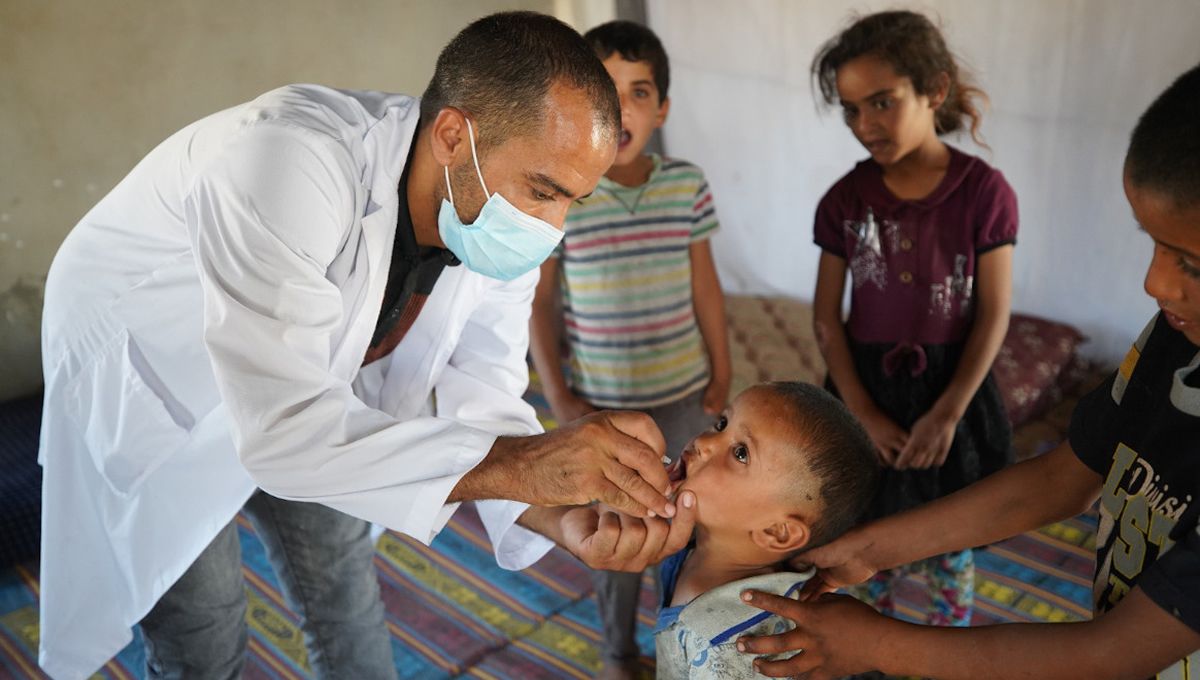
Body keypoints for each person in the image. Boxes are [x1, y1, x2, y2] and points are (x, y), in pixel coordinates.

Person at [37, 12, 699, 680]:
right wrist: (525, 467)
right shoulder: (286, 163)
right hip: (157, 358)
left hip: (311, 381)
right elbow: (283, 432)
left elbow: (485, 392)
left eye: (572, 202)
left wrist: (557, 514)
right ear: (451, 136)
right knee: (205, 624)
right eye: (544, 191)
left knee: (341, 580)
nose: (549, 227)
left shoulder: (495, 216)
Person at [737, 63, 1200, 680]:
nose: (1155, 282)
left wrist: (877, 645)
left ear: (933, 92)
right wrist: (870, 549)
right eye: (1153, 242)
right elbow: (1065, 478)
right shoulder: (1175, 340)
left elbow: (1111, 653)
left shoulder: (982, 193)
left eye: (1191, 263)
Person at [526, 19, 732, 679]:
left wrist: (722, 375)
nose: (621, 109)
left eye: (638, 92)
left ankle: (687, 646)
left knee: (691, 530)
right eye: (605, 92)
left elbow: (706, 288)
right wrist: (557, 393)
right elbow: (539, 301)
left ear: (661, 108)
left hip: (685, 398)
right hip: (604, 410)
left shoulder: (686, 185)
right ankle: (619, 652)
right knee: (616, 539)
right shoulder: (564, 195)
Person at [808, 10, 1017, 628]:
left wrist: (950, 410)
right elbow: (825, 319)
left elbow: (994, 312)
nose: (864, 125)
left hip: (951, 391)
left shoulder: (985, 193)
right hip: (861, 391)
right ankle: (870, 651)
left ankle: (946, 652)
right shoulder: (843, 201)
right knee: (864, 541)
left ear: (935, 90)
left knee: (947, 536)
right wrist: (862, 412)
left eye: (881, 102)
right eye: (850, 109)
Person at [653, 382, 878, 679]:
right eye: (722, 424)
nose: (706, 442)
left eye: (741, 453)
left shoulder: (733, 651)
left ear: (777, 532)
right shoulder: (699, 544)